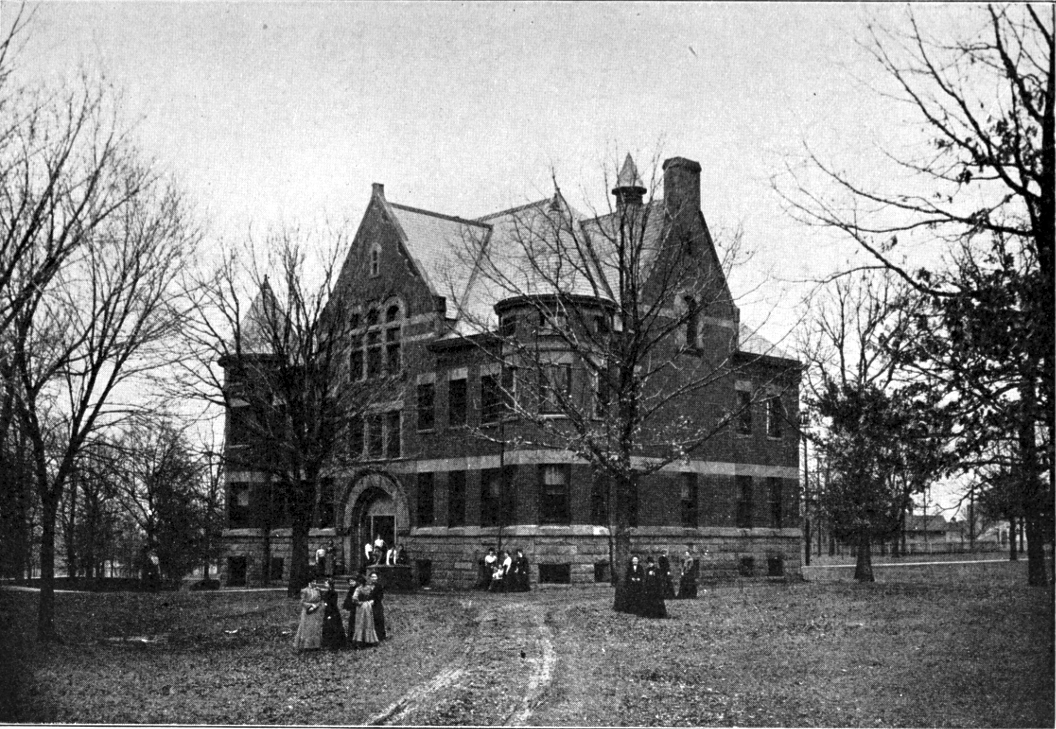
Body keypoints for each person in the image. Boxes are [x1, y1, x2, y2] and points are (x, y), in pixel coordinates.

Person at [348, 574, 379, 648]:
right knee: (368, 622)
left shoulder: (358, 589)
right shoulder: (369, 588)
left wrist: (359, 603)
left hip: (361, 607)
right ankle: (368, 639)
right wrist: (370, 602)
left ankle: (360, 639)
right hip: (368, 606)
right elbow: (373, 597)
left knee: (361, 622)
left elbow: (354, 599)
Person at [294, 580, 325, 650]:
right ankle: (305, 645)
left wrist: (316, 606)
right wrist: (310, 605)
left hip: (315, 611)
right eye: (313, 582)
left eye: (315, 582)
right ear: (309, 582)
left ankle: (314, 645)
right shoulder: (304, 590)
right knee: (306, 627)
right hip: (307, 611)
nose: (314, 583)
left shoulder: (317, 590)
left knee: (314, 627)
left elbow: (319, 600)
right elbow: (302, 602)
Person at [320, 578, 345, 649]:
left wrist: (330, 614)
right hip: (327, 611)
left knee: (333, 626)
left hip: (332, 612)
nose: (325, 584)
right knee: (327, 627)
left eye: (326, 583)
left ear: (330, 584)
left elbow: (333, 604)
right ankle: (327, 643)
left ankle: (335, 644)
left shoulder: (334, 593)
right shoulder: (326, 592)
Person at [369, 572, 387, 640]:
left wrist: (374, 600)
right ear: (370, 578)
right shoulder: (368, 586)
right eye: (372, 577)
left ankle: (380, 636)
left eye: (375, 577)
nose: (373, 578)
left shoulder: (379, 586)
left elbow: (380, 596)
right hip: (369, 605)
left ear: (377, 578)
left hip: (377, 605)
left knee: (378, 619)